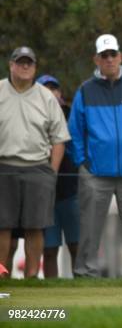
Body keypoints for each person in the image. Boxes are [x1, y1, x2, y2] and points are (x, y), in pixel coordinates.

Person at [69, 34, 122, 278]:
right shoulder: (85, 91)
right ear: (96, 59)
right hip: (95, 171)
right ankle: (86, 273)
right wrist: (82, 162)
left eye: (113, 54)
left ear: (120, 57)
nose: (109, 59)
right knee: (89, 227)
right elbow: (75, 129)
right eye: (104, 56)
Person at [0, 47, 71, 278]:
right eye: (20, 62)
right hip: (4, 166)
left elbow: (59, 138)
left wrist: (52, 172)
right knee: (3, 227)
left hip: (38, 167)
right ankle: (1, 277)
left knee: (35, 226)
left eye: (29, 63)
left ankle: (31, 278)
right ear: (11, 65)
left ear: (35, 67)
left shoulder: (46, 97)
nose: (25, 66)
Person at [36, 75, 80, 278]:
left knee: (76, 245)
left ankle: (82, 290)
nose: (51, 92)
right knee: (50, 249)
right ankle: (50, 288)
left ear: (60, 93)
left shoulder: (71, 115)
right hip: (45, 193)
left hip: (71, 190)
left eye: (54, 88)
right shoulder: (32, 118)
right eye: (45, 88)